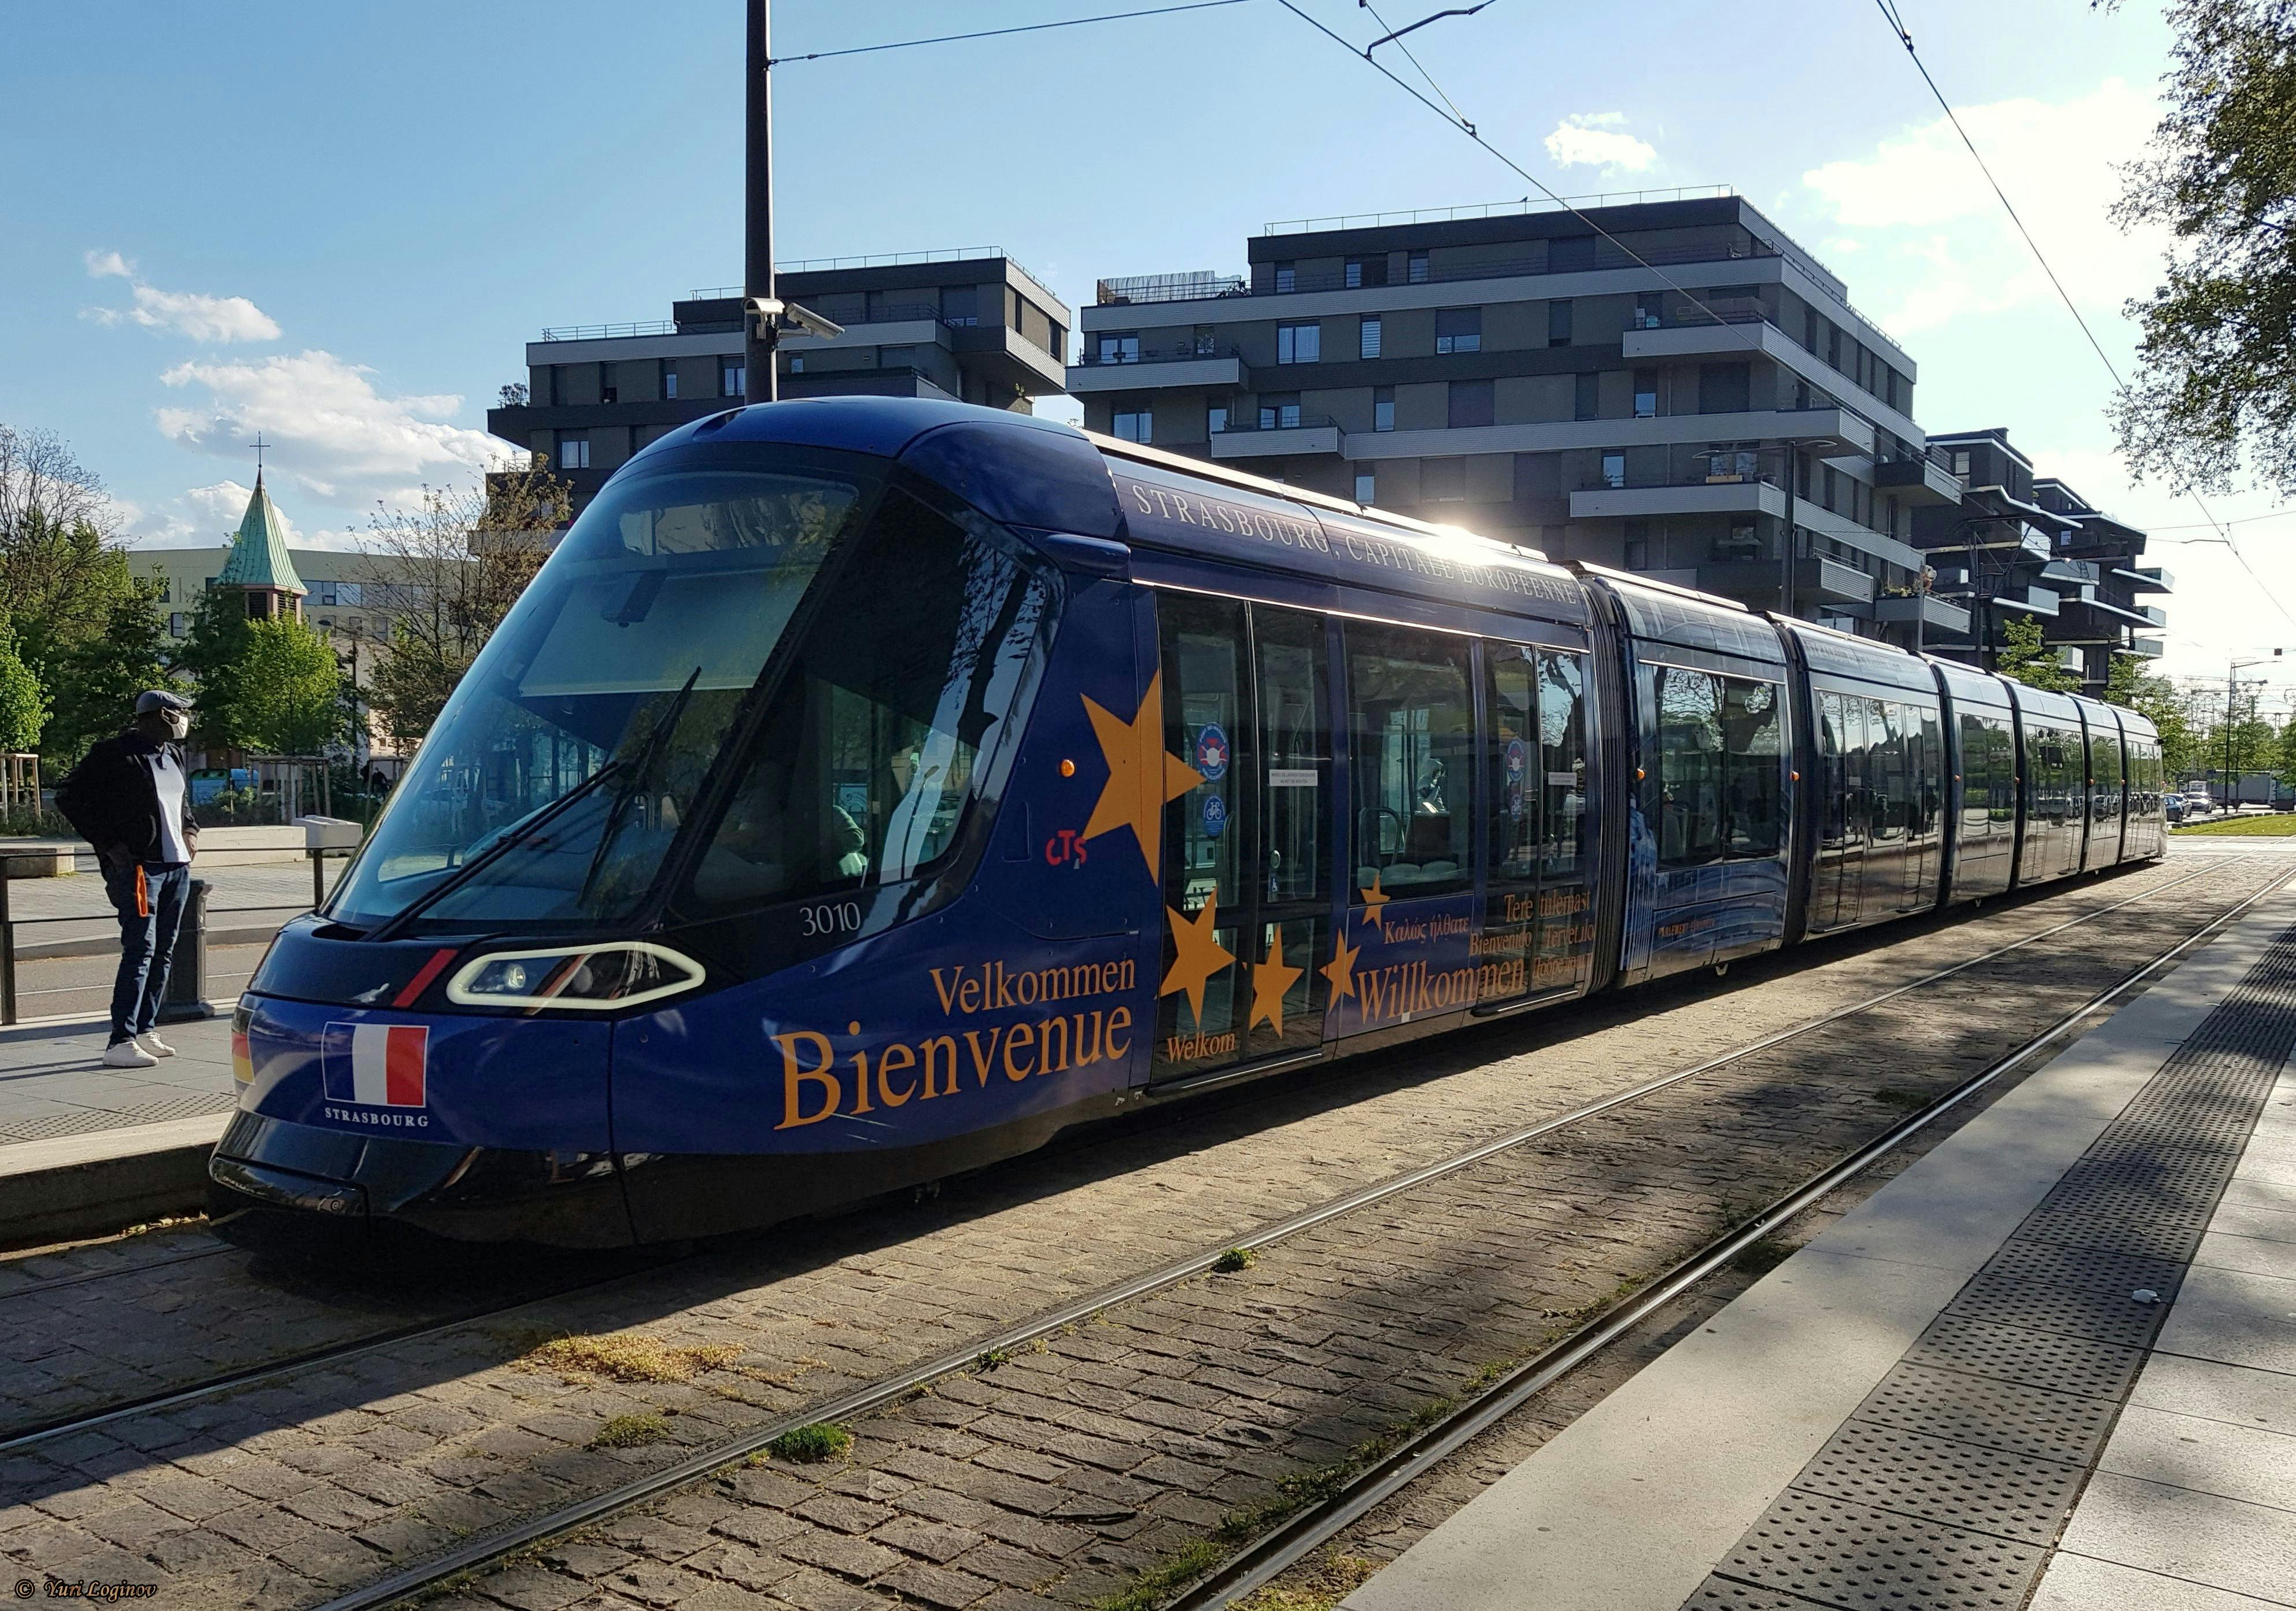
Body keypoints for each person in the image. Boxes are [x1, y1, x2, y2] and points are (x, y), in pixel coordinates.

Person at [56, 691, 200, 1068]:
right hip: (140, 869)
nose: (185, 719)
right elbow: (69, 797)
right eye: (179, 712)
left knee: (165, 949)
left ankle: (145, 1028)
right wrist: (109, 845)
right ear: (160, 715)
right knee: (140, 949)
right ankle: (120, 1040)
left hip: (175, 868)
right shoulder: (114, 753)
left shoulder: (173, 754)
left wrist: (190, 830)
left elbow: (181, 803)